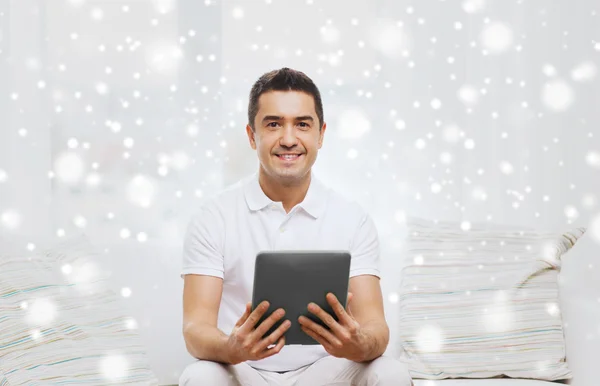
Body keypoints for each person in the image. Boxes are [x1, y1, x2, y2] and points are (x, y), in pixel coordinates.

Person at [179, 67, 413, 386]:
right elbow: (196, 330)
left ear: (320, 134)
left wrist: (358, 344)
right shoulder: (213, 216)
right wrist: (231, 348)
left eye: (302, 124)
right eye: (273, 124)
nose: (289, 139)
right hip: (244, 369)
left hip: (327, 369)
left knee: (391, 373)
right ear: (252, 136)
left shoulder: (352, 218)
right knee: (199, 376)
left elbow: (376, 327)